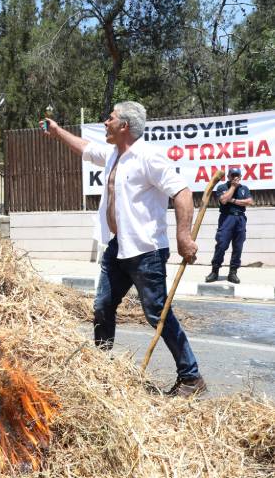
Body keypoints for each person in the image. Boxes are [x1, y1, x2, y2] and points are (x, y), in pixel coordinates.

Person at [42, 101, 206, 397]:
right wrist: (58, 132)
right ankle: (101, 371)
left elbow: (182, 192)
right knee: (102, 306)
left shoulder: (148, 156)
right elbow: (85, 148)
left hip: (146, 251)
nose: (106, 122)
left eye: (111, 118)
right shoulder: (113, 154)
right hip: (118, 247)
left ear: (124, 126)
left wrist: (184, 236)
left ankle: (191, 377)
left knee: (158, 313)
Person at [205, 167, 253, 284]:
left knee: (238, 246)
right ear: (228, 177)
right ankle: (215, 271)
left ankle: (233, 272)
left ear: (240, 176)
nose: (235, 178)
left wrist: (234, 200)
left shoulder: (244, 188)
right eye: (232, 175)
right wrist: (233, 187)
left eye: (237, 175)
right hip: (227, 218)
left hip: (240, 218)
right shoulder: (222, 187)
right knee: (221, 244)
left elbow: (250, 202)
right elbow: (224, 200)